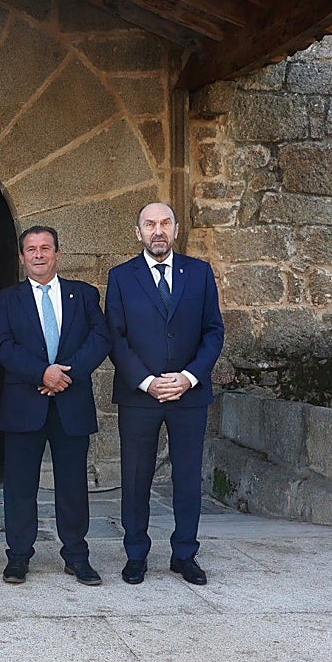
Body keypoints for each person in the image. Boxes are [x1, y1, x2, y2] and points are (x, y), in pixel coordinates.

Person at [106, 201, 224, 586]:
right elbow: (115, 337)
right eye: (149, 224)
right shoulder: (121, 277)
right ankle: (136, 554)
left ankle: (185, 554)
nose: (158, 230)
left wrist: (188, 377)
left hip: (188, 396)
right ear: (137, 232)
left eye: (165, 223)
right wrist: (147, 381)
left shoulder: (200, 273)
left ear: (175, 229)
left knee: (187, 478)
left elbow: (213, 332)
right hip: (139, 396)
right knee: (135, 478)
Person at [0, 226, 110, 586]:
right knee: (20, 486)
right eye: (31, 249)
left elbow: (100, 338)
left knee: (73, 484)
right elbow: (2, 345)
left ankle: (76, 556)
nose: (39, 254)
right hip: (24, 404)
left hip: (71, 403)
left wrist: (65, 375)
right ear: (22, 257)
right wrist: (42, 373)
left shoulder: (84, 294)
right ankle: (18, 557)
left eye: (45, 248)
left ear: (58, 253)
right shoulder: (7, 299)